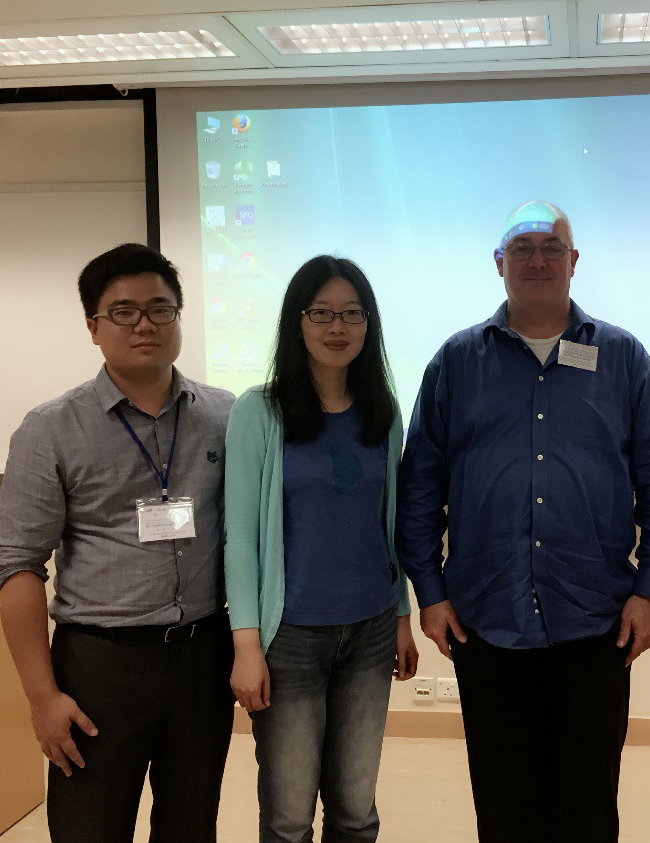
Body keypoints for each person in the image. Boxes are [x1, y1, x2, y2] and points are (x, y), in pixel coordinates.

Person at [397, 201, 650, 843]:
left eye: (551, 247)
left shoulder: (622, 357)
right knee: (504, 805)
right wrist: (430, 593)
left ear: (573, 261)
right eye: (521, 249)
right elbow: (420, 485)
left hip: (596, 620)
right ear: (499, 263)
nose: (537, 261)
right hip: (484, 619)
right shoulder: (456, 362)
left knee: (587, 806)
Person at [0, 243, 236, 843]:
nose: (145, 324)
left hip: (203, 656)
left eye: (160, 308)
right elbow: (19, 566)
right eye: (123, 312)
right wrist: (42, 697)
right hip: (101, 665)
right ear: (93, 327)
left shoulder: (226, 416)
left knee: (191, 825)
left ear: (178, 317)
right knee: (90, 829)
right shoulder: (50, 429)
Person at [224, 255, 418, 842]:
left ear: (368, 325)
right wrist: (246, 646)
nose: (338, 327)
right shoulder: (259, 411)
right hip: (289, 638)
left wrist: (402, 617)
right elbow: (240, 538)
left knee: (356, 812)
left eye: (352, 314)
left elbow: (390, 528)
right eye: (322, 313)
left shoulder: (382, 412)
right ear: (297, 321)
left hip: (371, 630)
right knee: (288, 818)